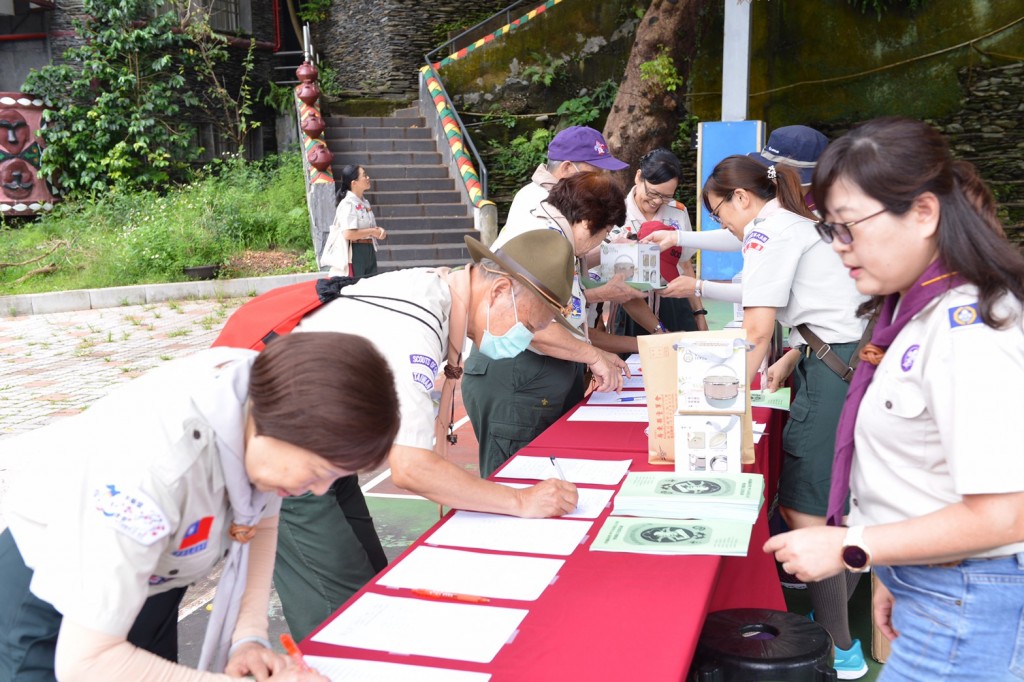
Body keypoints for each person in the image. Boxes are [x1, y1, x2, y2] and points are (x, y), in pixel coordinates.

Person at [764, 117, 1024, 682]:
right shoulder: (910, 316)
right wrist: (900, 577)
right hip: (940, 589)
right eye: (830, 229)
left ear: (924, 213)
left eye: (849, 227)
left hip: (970, 599)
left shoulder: (967, 331)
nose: (839, 248)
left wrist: (853, 547)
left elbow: (1008, 512)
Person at [0, 332, 401, 681]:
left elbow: (259, 523)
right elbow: (86, 663)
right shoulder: (152, 472)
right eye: (319, 471)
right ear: (279, 428)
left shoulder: (264, 396)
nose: (319, 491)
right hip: (54, 596)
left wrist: (249, 637)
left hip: (152, 580)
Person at [272, 230, 581, 640]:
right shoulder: (415, 326)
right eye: (528, 325)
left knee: (370, 592)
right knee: (343, 620)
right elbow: (412, 467)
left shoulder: (435, 295)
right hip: (282, 461)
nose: (524, 340)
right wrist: (520, 501)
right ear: (500, 290)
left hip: (327, 456)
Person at [702, 154, 869, 678]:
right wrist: (794, 353)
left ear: (743, 199)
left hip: (832, 376)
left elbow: (754, 330)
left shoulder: (768, 233)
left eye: (718, 211)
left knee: (805, 511)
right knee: (843, 502)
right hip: (846, 361)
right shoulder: (804, 225)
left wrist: (720, 405)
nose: (722, 224)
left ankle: (839, 646)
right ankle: (836, 609)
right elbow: (830, 308)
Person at [462, 172, 631, 478]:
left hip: (533, 376)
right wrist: (592, 356)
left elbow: (566, 317)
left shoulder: (555, 234)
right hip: (517, 378)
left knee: (548, 478)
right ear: (587, 221)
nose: (599, 243)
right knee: (516, 482)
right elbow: (532, 326)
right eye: (603, 233)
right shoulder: (541, 237)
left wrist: (593, 353)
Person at [644, 125, 830, 304]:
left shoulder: (817, 215)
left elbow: (759, 292)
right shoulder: (782, 205)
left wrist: (699, 286)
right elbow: (741, 234)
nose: (723, 224)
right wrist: (676, 237)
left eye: (718, 213)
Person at [504, 124, 644, 307]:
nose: (599, 181)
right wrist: (601, 294)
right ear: (567, 168)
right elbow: (535, 299)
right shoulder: (540, 207)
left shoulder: (559, 200)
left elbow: (568, 258)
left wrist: (612, 249)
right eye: (594, 173)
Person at [611, 147, 708, 336]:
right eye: (654, 193)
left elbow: (685, 264)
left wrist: (699, 313)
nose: (657, 201)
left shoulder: (678, 212)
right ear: (639, 177)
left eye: (666, 196)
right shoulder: (616, 211)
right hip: (631, 302)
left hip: (674, 298)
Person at [321, 164, 387, 277]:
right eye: (364, 176)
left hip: (369, 249)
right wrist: (372, 231)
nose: (368, 178)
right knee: (357, 287)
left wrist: (379, 231)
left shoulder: (364, 203)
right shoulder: (347, 204)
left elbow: (369, 227)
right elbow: (348, 233)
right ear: (354, 183)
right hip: (355, 252)